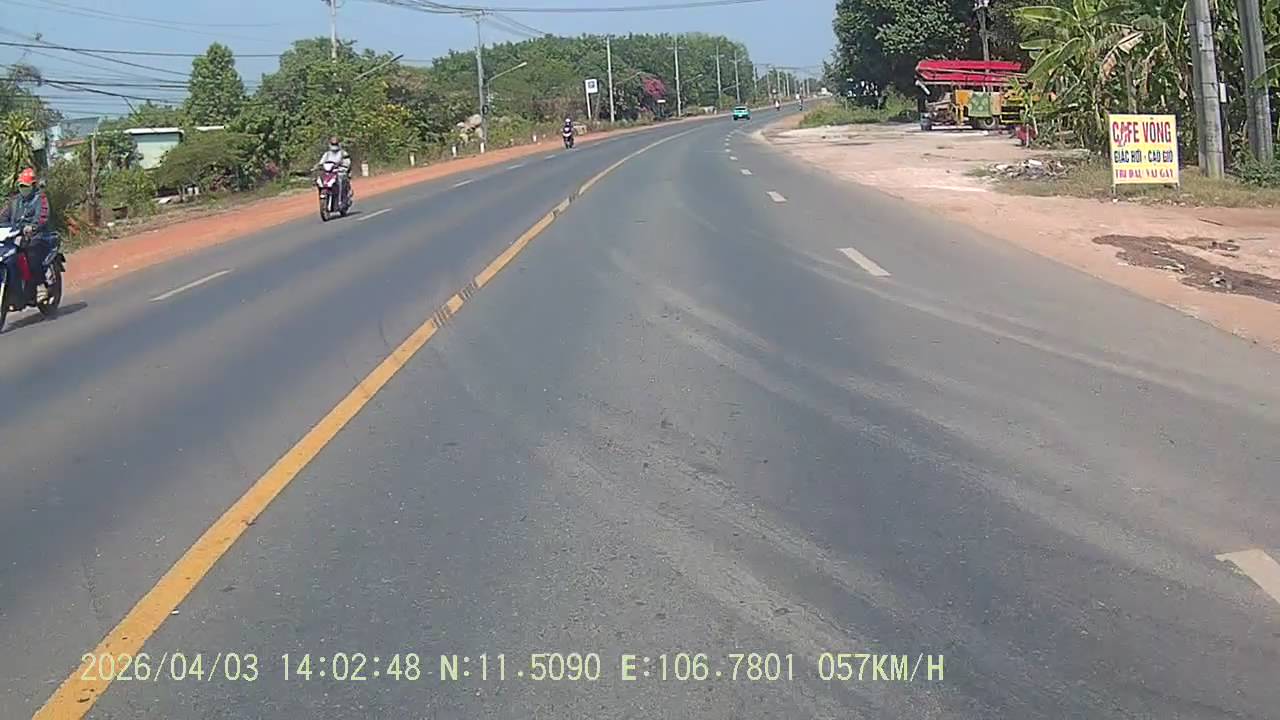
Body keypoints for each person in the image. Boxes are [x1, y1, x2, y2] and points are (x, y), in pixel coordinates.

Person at [0, 167, 53, 303]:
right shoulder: (14, 201)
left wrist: (33, 227)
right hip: (15, 235)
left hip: (37, 236)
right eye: (21, 186)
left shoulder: (40, 199)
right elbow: (3, 217)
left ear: (33, 186)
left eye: (26, 186)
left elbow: (42, 216)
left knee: (31, 253)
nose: (24, 189)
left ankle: (40, 285)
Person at [314, 136, 353, 205]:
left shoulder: (343, 153)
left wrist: (344, 167)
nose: (334, 146)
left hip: (339, 171)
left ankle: (341, 199)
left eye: (335, 144)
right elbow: (321, 162)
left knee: (341, 179)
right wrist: (318, 166)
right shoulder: (327, 154)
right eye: (333, 144)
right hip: (329, 172)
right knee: (320, 179)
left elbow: (347, 162)